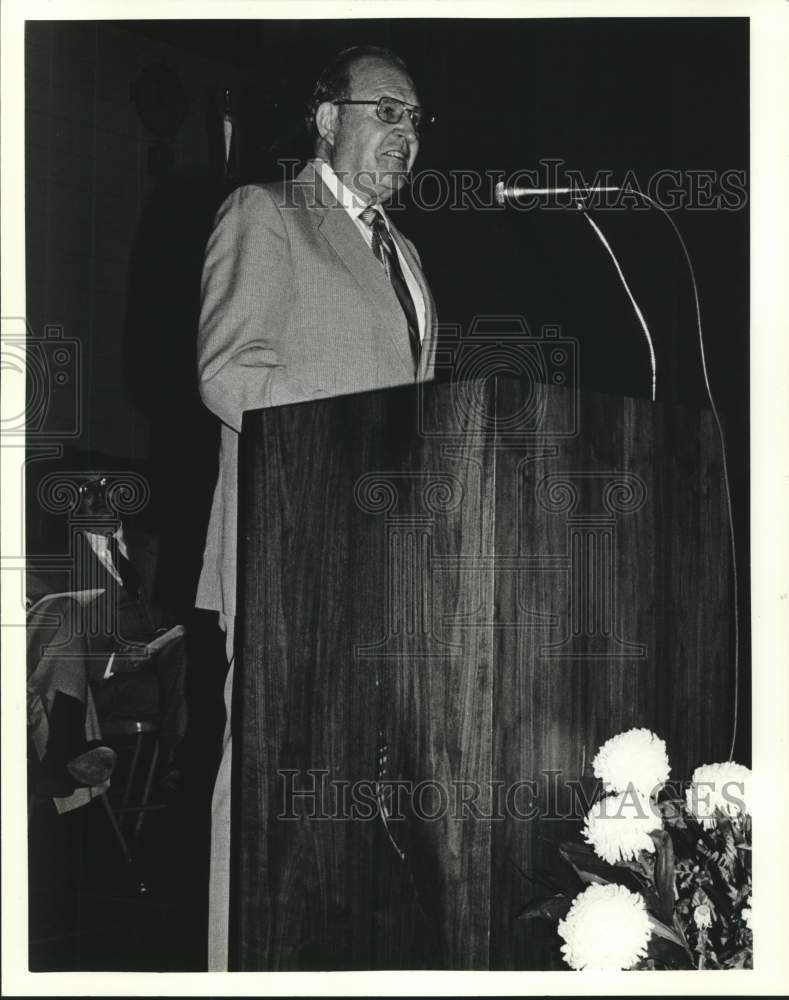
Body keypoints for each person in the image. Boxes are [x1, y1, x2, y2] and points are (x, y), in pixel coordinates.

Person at [195, 44, 438, 970]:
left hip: (382, 566)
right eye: (386, 112)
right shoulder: (266, 213)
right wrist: (353, 453)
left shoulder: (406, 255)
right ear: (326, 118)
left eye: (415, 121)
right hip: (287, 548)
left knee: (349, 800)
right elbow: (230, 374)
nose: (405, 136)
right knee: (264, 793)